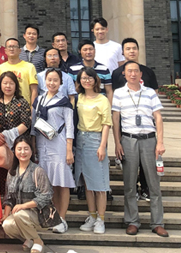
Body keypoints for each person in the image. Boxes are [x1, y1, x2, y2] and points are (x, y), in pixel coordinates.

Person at [112, 61, 168, 238]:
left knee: (154, 184)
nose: (133, 74)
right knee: (129, 184)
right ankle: (132, 221)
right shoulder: (119, 93)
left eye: (136, 71)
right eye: (129, 71)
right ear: (124, 73)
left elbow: (158, 117)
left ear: (140, 74)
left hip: (149, 140)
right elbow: (115, 119)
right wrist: (117, 142)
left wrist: (160, 142)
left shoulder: (150, 92)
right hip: (128, 140)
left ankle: (157, 223)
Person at [110, 37, 159, 202]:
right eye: (128, 49)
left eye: (134, 48)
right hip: (126, 123)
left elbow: (155, 95)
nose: (131, 51)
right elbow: (115, 96)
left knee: (147, 160)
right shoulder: (117, 73)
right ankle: (133, 190)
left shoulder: (148, 72)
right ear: (122, 52)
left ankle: (145, 188)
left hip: (146, 124)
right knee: (130, 160)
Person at [31, 68, 75, 234]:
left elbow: (70, 126)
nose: (52, 83)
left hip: (59, 145)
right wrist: (33, 145)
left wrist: (69, 150)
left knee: (62, 182)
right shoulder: (39, 99)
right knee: (50, 183)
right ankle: (53, 217)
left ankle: (62, 218)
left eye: (55, 80)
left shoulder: (64, 101)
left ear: (61, 82)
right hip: (43, 146)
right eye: (49, 80)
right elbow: (33, 125)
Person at [73, 67, 111, 234]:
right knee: (87, 183)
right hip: (80, 139)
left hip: (95, 139)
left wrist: (102, 146)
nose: (86, 81)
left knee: (99, 183)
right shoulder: (78, 98)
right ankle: (92, 216)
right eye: (83, 78)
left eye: (89, 78)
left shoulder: (102, 99)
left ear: (95, 80)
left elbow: (106, 124)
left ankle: (101, 219)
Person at [1, 139, 54, 253]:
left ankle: (38, 241)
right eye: (19, 149)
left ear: (31, 151)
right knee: (7, 225)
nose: (23, 152)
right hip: (21, 215)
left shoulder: (38, 171)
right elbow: (8, 197)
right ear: (14, 151)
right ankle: (30, 238)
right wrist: (5, 215)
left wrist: (23, 206)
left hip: (39, 215)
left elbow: (46, 196)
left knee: (19, 214)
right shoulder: (12, 172)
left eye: (26, 149)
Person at [0, 71, 31, 198]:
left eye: (11, 83)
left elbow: (25, 123)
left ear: (16, 85)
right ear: (0, 85)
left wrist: (9, 135)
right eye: (5, 83)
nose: (8, 86)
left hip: (18, 141)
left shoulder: (22, 102)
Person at [0, 37, 38, 108]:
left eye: (14, 47)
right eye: (9, 47)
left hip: (24, 107)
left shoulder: (29, 67)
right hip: (5, 107)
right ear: (5, 50)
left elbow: (34, 90)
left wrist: (32, 108)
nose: (11, 49)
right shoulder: (0, 68)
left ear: (20, 50)